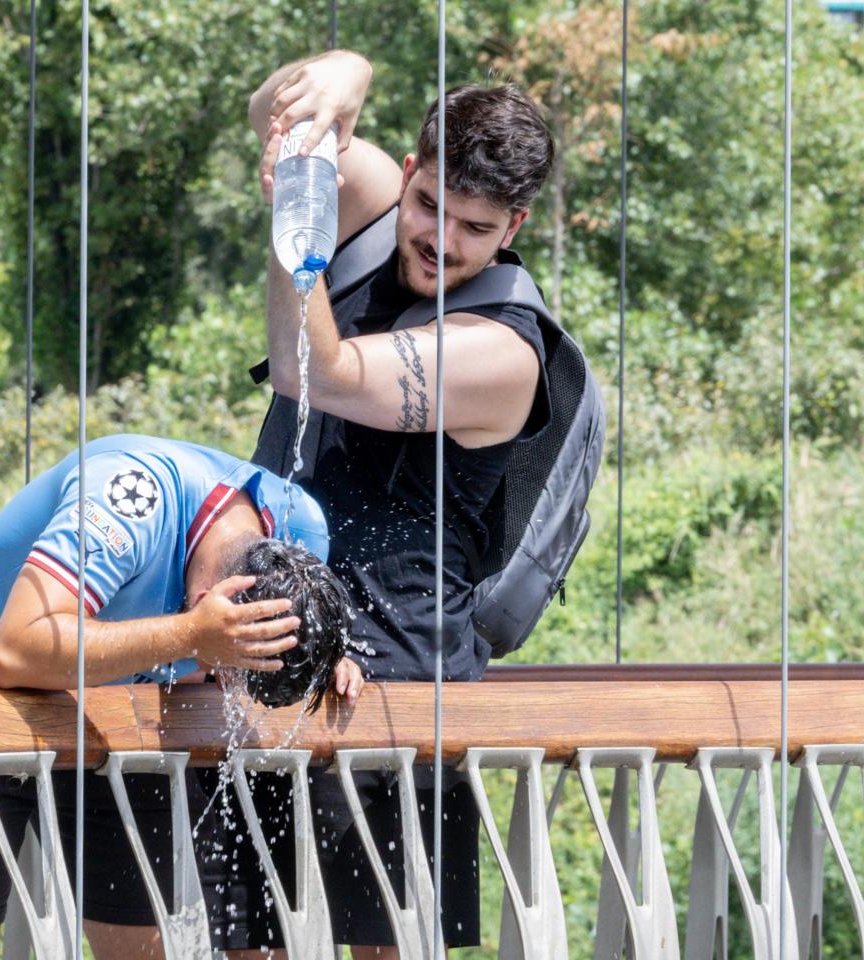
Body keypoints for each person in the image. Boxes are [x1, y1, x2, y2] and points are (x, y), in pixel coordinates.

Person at [242, 50, 556, 954]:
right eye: (429, 206)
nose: (440, 241)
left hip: (399, 683)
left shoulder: (504, 353)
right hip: (270, 647)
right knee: (247, 941)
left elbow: (311, 369)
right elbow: (273, 116)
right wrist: (348, 73)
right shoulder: (383, 209)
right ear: (411, 173)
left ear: (513, 227)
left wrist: (297, 215)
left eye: (475, 227)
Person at [0, 433, 362, 960]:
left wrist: (317, 654)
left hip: (106, 699)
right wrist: (189, 637)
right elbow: (14, 650)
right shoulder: (128, 498)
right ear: (206, 602)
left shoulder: (300, 527)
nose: (218, 682)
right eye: (223, 669)